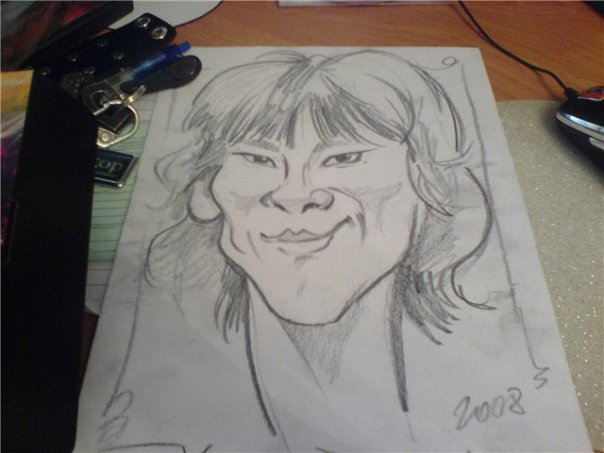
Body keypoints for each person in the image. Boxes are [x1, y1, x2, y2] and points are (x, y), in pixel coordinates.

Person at [139, 49, 492, 451]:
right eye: (257, 158)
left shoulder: (481, 368)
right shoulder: (163, 380)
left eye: (344, 157)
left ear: (428, 183)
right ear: (207, 190)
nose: (295, 195)